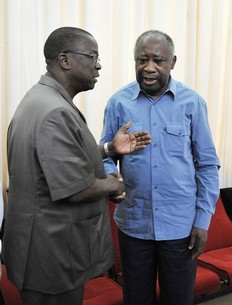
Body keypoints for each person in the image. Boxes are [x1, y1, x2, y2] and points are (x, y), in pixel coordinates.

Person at [2, 27, 151, 305]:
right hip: (52, 256)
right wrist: (114, 183)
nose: (98, 65)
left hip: (40, 249)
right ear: (65, 60)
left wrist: (109, 149)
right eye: (92, 56)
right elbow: (76, 189)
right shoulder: (55, 112)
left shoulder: (40, 99)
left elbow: (56, 160)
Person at [100, 30, 220, 305]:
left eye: (158, 60)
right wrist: (111, 177)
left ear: (173, 62)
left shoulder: (192, 103)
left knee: (178, 299)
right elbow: (105, 153)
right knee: (136, 299)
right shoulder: (118, 103)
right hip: (134, 226)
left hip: (181, 228)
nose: (149, 68)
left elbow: (207, 165)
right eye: (142, 60)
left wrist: (202, 221)